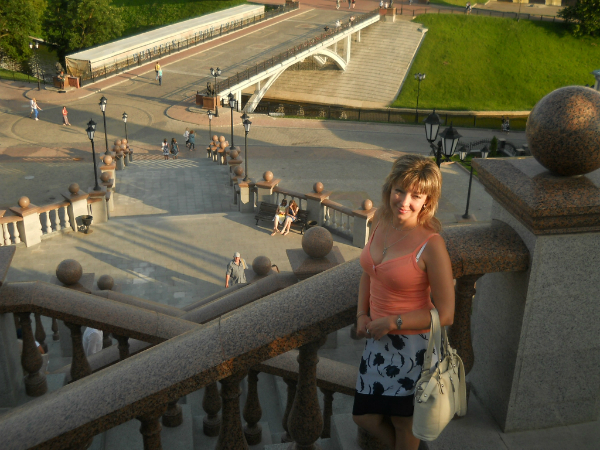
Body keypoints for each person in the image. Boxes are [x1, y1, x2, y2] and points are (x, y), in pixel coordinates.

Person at [352, 154, 454, 450]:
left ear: (427, 201)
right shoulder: (381, 220)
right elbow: (369, 272)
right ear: (390, 188)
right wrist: (361, 314)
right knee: (364, 416)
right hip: (378, 339)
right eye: (400, 190)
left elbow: (446, 313)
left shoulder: (431, 245)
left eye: (416, 196)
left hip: (412, 347)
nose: (404, 201)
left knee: (402, 423)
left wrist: (393, 322)